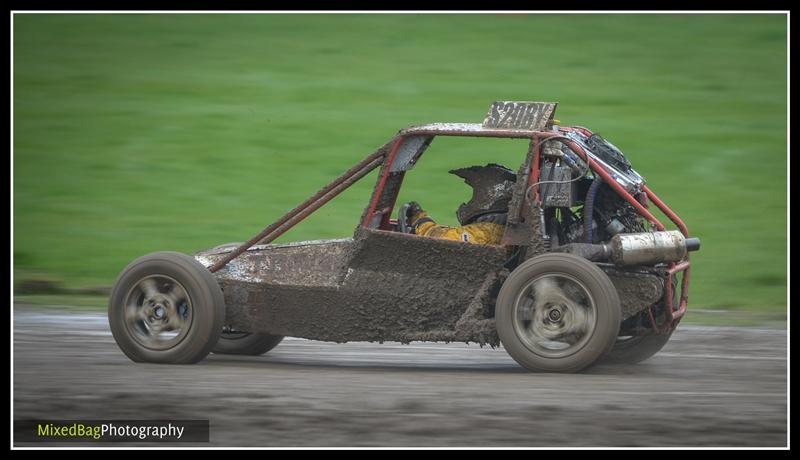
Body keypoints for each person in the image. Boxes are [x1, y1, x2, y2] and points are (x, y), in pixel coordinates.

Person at [398, 163, 516, 245]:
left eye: (476, 195)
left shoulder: (487, 232)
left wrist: (420, 221)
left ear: (489, 196)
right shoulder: (502, 229)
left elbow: (443, 240)